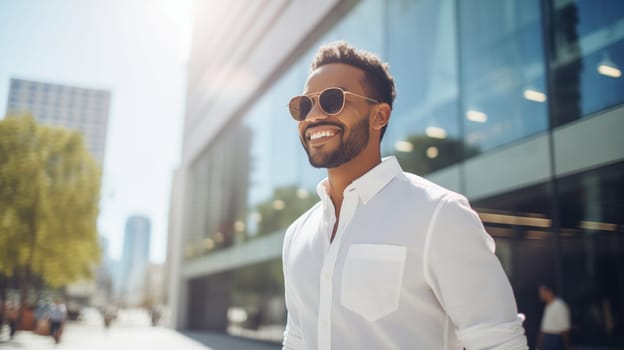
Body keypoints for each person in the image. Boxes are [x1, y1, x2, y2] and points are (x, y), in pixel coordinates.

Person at [281, 41, 528, 349]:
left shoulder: (440, 215)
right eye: (304, 105)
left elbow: (498, 342)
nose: (313, 116)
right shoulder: (296, 235)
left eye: (333, 100)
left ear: (379, 116)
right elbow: (298, 340)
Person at [537, 284, 571, 350]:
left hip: (555, 340)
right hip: (547, 339)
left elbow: (564, 330)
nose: (541, 296)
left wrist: (567, 346)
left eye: (543, 293)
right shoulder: (548, 306)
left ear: (549, 292)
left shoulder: (559, 306)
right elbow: (544, 327)